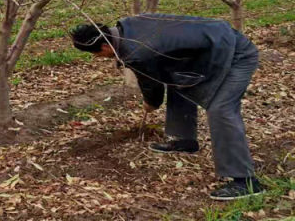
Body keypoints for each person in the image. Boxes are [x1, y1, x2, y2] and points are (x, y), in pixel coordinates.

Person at [70, 13, 262, 200]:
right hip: (211, 46)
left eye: (96, 54)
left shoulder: (137, 51)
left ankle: (245, 181)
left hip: (236, 54)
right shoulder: (130, 24)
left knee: (221, 110)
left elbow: (151, 83)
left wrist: (150, 103)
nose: (98, 58)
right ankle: (184, 140)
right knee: (177, 82)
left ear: (105, 46)